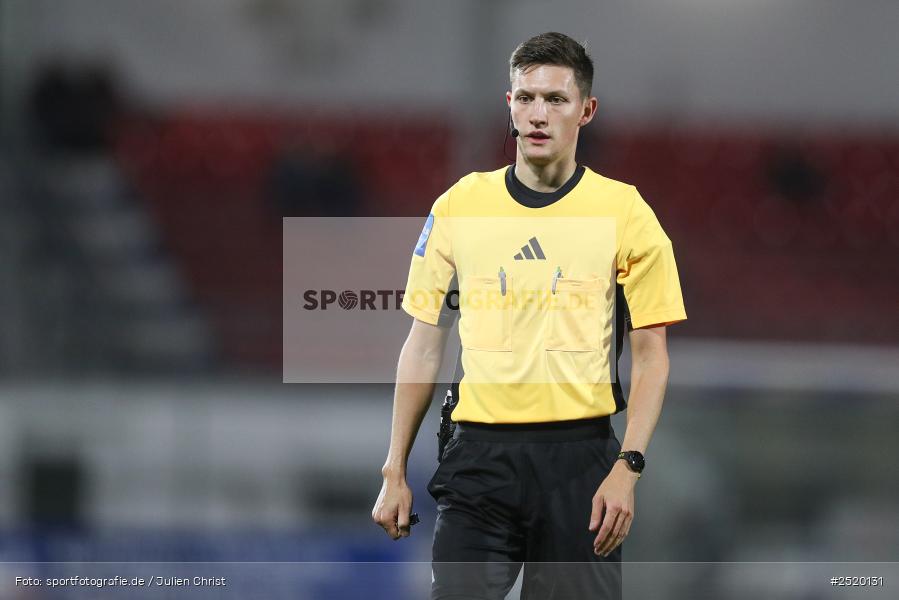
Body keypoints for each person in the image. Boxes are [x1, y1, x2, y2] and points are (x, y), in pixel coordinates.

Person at [372, 32, 687, 599]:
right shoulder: (459, 206)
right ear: (509, 105)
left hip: (580, 463)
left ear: (586, 110)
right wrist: (394, 468)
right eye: (526, 98)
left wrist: (628, 466)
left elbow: (651, 354)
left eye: (556, 100)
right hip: (478, 461)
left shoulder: (626, 213)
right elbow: (423, 344)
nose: (538, 114)